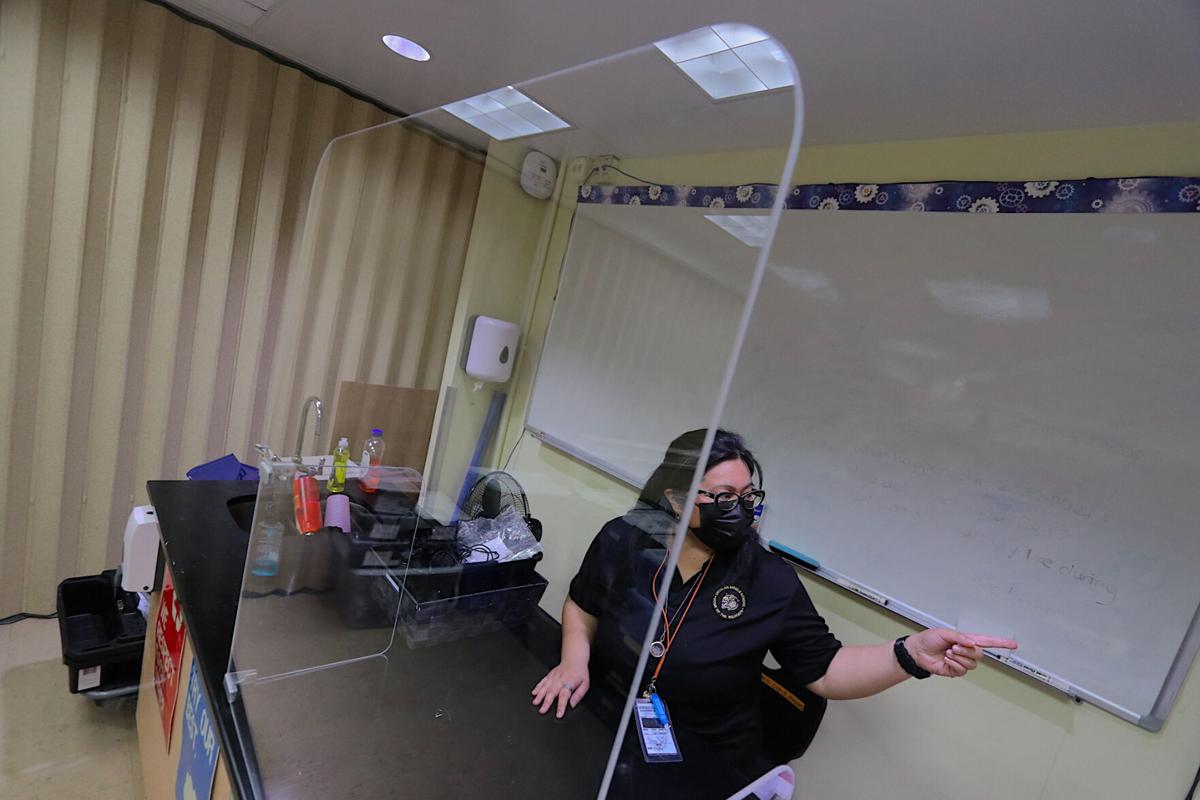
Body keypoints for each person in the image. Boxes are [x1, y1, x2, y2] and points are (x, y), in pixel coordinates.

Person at [532, 428, 1017, 785]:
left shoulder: (769, 581)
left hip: (705, 760)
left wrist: (909, 655)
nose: (740, 510)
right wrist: (574, 660)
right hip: (609, 724)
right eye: (723, 497)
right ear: (676, 501)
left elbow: (826, 670)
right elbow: (583, 604)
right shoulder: (626, 539)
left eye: (748, 496)